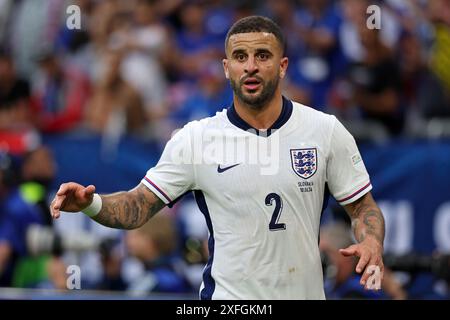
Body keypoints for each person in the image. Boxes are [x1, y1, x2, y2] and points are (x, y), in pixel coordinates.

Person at [50, 16, 385, 300]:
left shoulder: (324, 131)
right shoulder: (196, 139)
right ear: (227, 68)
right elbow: (138, 205)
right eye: (240, 57)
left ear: (282, 66)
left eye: (262, 55)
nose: (250, 66)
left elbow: (362, 207)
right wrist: (90, 205)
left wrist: (370, 239)